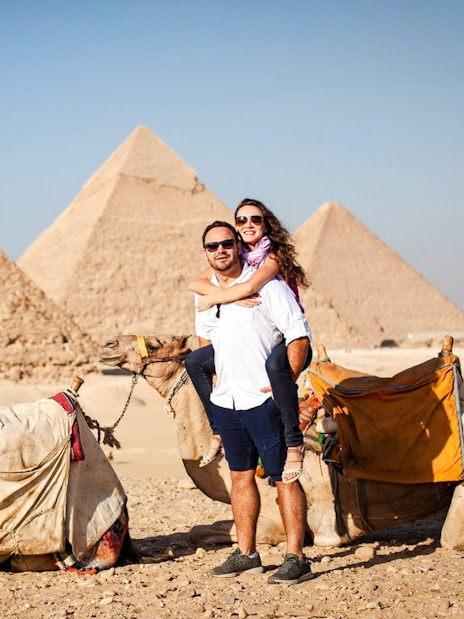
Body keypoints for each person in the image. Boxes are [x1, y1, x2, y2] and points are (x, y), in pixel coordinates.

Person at [193, 220, 312, 584]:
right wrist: (214, 384)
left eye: (227, 243)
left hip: (262, 400)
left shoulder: (271, 288)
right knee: (239, 477)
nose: (220, 251)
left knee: (284, 479)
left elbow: (298, 336)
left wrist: (284, 384)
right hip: (227, 401)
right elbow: (204, 343)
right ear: (205, 252)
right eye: (212, 246)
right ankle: (247, 554)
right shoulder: (205, 295)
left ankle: (296, 557)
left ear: (238, 246)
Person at [186, 199, 311, 483]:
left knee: (275, 369)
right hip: (242, 339)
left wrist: (228, 296)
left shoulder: (273, 254)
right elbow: (196, 283)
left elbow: (252, 286)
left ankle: (294, 442)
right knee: (195, 361)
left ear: (266, 223)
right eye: (241, 220)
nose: (248, 225)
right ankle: (216, 429)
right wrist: (227, 296)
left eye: (255, 219)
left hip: (287, 338)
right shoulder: (235, 251)